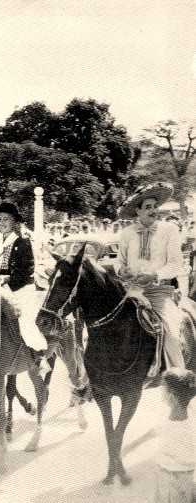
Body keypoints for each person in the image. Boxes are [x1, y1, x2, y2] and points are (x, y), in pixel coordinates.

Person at [115, 182, 186, 374]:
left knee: (170, 332)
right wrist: (121, 271)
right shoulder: (126, 233)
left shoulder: (169, 230)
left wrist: (155, 274)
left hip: (158, 293)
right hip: (130, 291)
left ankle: (179, 378)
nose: (154, 210)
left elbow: (175, 264)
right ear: (137, 211)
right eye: (148, 207)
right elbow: (119, 261)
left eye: (155, 206)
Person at [0, 201, 50, 376]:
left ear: (14, 221)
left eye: (6, 219)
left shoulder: (23, 241)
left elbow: (27, 271)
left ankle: (38, 356)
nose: (2, 222)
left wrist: (7, 278)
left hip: (20, 288)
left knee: (24, 319)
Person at [154, 367, 196, 502]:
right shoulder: (192, 419)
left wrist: (127, 448)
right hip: (185, 474)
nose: (161, 393)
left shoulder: (165, 421)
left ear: (171, 396)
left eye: (163, 389)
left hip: (170, 474)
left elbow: (151, 433)